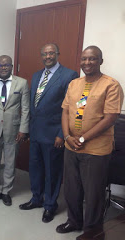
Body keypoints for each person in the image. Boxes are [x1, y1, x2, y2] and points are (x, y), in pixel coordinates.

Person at [56, 46, 124, 233]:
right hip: (72, 147)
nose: (87, 62)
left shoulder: (111, 85)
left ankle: (92, 230)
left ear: (101, 61)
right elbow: (66, 111)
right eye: (84, 59)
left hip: (96, 150)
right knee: (71, 189)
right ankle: (74, 222)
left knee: (93, 193)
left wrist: (84, 138)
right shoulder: (74, 84)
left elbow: (110, 117)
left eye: (92, 59)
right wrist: (68, 136)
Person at [19, 43, 78, 223]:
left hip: (54, 134)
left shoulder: (69, 75)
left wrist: (62, 133)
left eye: (51, 53)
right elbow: (33, 104)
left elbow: (69, 108)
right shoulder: (37, 75)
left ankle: (50, 205)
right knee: (35, 168)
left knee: (52, 171)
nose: (47, 57)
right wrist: (28, 129)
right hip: (36, 132)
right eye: (44, 54)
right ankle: (36, 198)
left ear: (58, 54)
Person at [0, 55, 29, 206]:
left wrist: (23, 129)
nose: (3, 67)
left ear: (12, 66)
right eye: (0, 65)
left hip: (14, 129)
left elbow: (25, 108)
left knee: (10, 163)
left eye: (6, 65)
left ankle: (6, 191)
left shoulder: (22, 83)